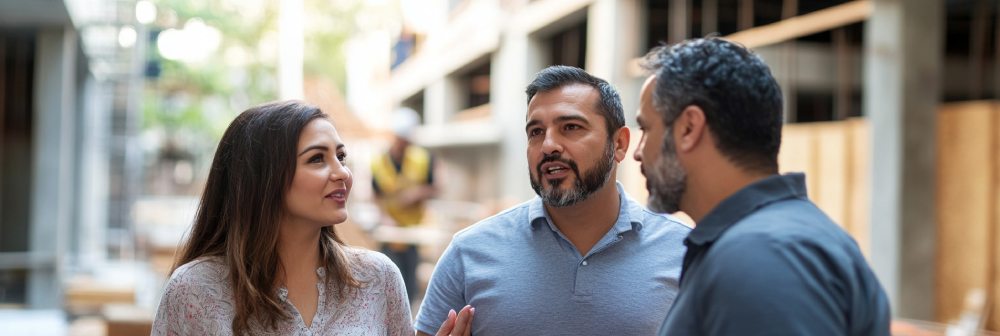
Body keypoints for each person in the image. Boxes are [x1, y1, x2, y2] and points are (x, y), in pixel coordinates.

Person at [633, 38, 891, 335]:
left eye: (646, 129)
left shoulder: (759, 257)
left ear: (689, 128)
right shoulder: (782, 240)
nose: (639, 151)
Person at [150, 101, 471, 335]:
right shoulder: (193, 290)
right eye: (317, 159)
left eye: (341, 157)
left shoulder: (379, 279)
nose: (343, 173)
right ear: (263, 178)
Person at [414, 66, 691, 335]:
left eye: (570, 127)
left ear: (618, 144)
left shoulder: (686, 253)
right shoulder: (468, 253)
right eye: (535, 132)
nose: (548, 145)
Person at [371, 107, 437, 305]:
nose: (404, 145)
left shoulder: (423, 158)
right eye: (401, 140)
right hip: (389, 232)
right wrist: (384, 217)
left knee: (409, 283)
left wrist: (417, 193)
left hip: (412, 231)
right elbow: (376, 195)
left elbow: (435, 186)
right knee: (386, 278)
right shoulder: (379, 162)